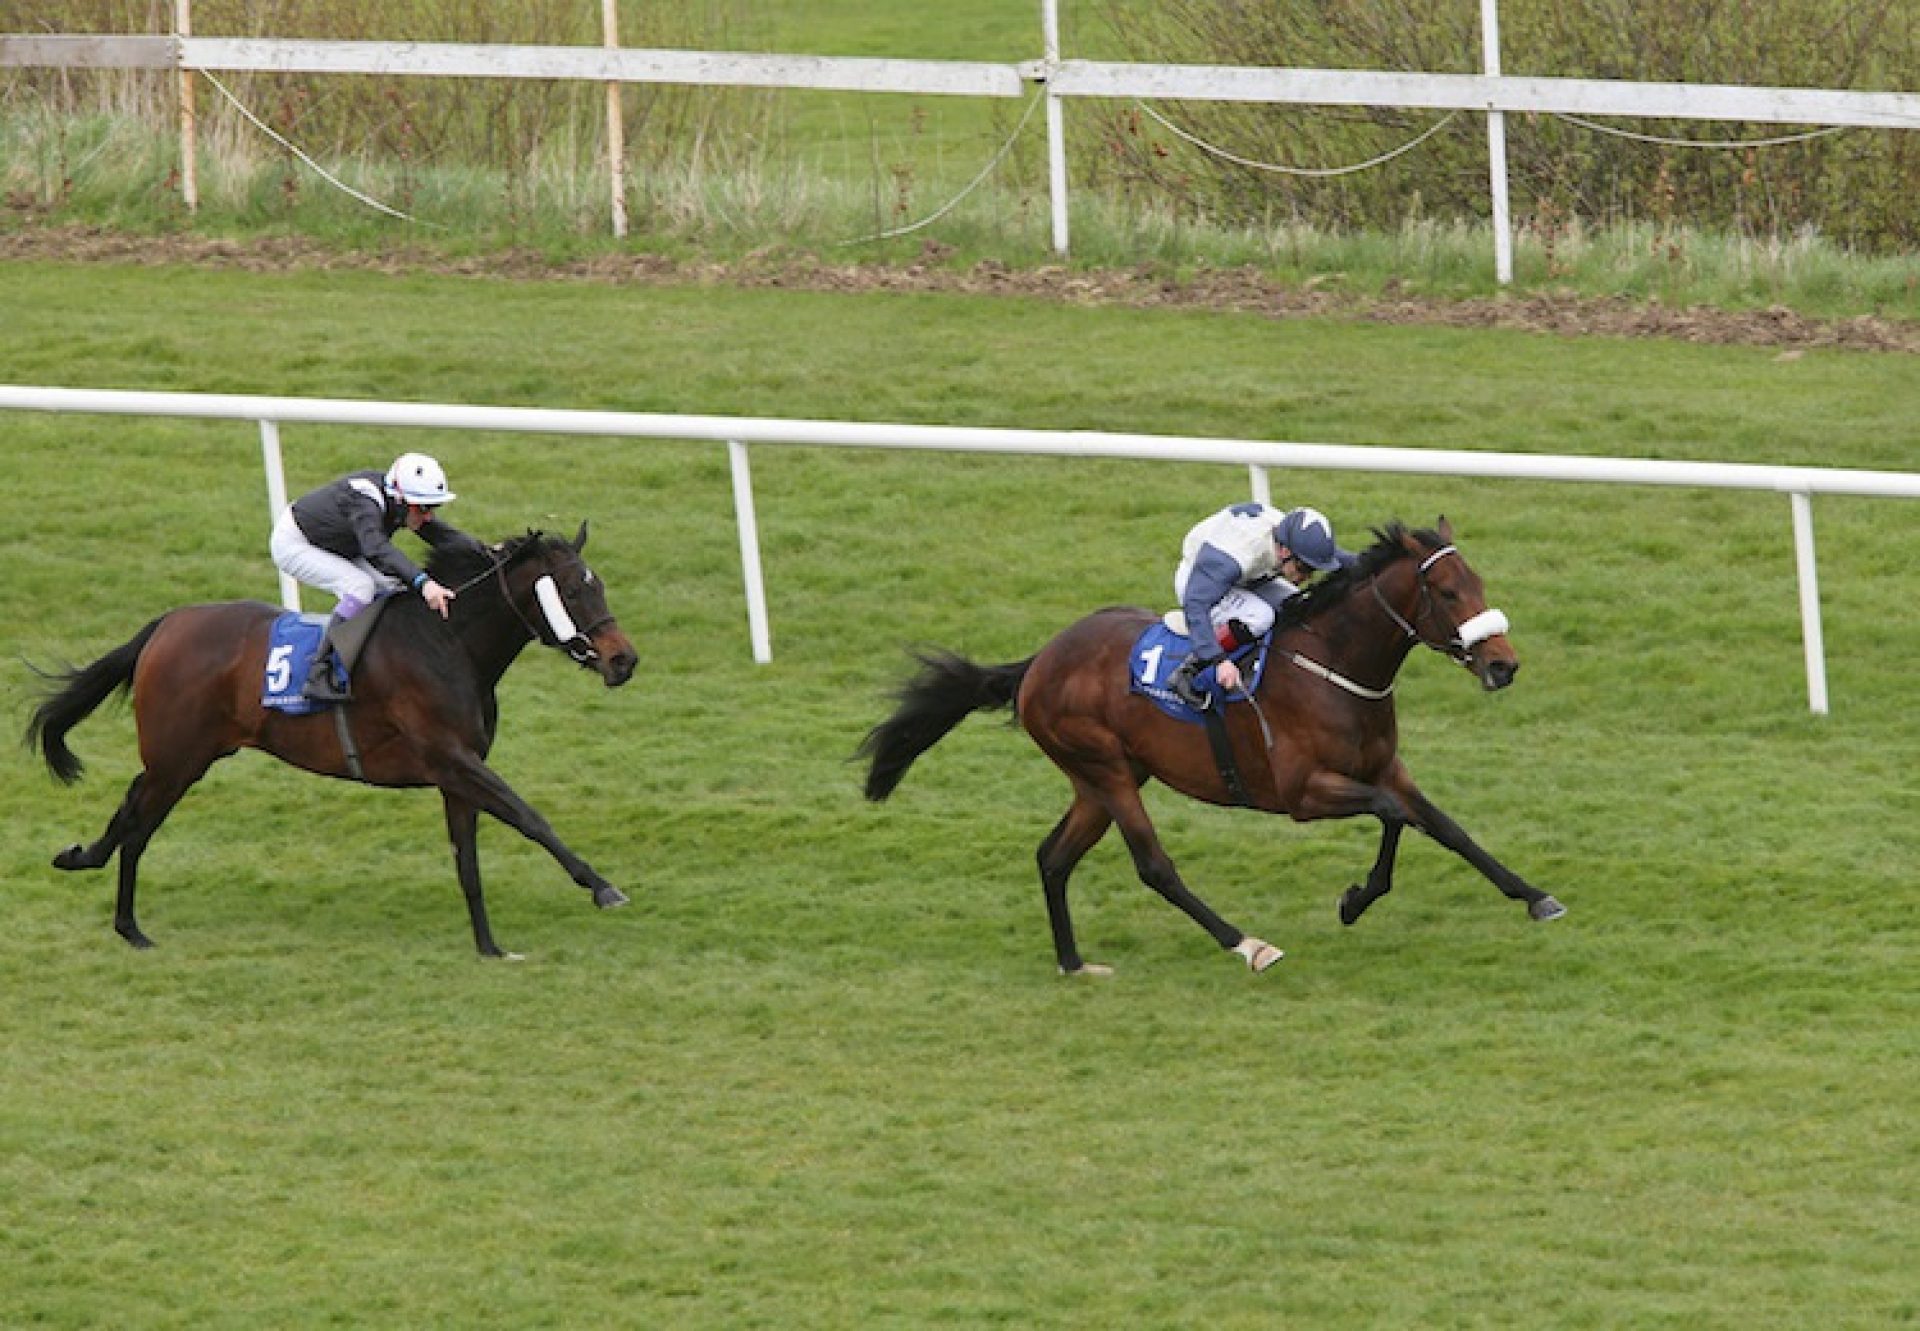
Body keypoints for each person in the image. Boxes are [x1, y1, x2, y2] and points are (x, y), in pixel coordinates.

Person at [269, 451, 483, 701]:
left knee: (392, 586)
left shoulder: (398, 500)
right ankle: (318, 673)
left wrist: (486, 552)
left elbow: (441, 535)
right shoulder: (365, 501)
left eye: (433, 507)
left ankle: (373, 658)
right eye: (424, 508)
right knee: (360, 587)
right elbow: (376, 549)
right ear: (402, 500)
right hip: (297, 543)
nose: (429, 516)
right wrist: (423, 583)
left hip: (340, 542)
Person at [1164, 503, 1354, 708]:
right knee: (1260, 616)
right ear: (1285, 551)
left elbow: (1346, 560)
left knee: (1297, 603)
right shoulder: (1237, 556)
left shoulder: (1294, 541)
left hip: (1248, 575)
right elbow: (1196, 603)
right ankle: (1189, 669)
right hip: (1198, 581)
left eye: (1312, 570)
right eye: (1303, 568)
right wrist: (1218, 661)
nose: (1306, 577)